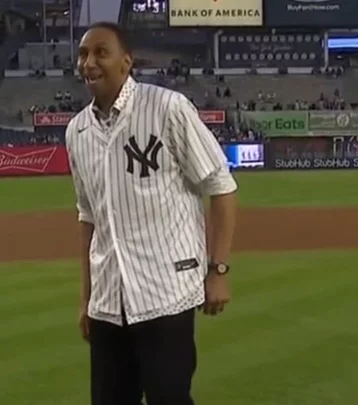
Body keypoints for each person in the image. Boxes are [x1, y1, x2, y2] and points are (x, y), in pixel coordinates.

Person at [64, 22, 239, 405]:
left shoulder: (167, 108)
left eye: (100, 53)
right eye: (83, 54)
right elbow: (88, 218)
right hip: (109, 302)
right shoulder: (76, 131)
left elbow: (222, 188)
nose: (88, 63)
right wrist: (86, 300)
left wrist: (219, 270)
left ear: (126, 63)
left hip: (165, 294)